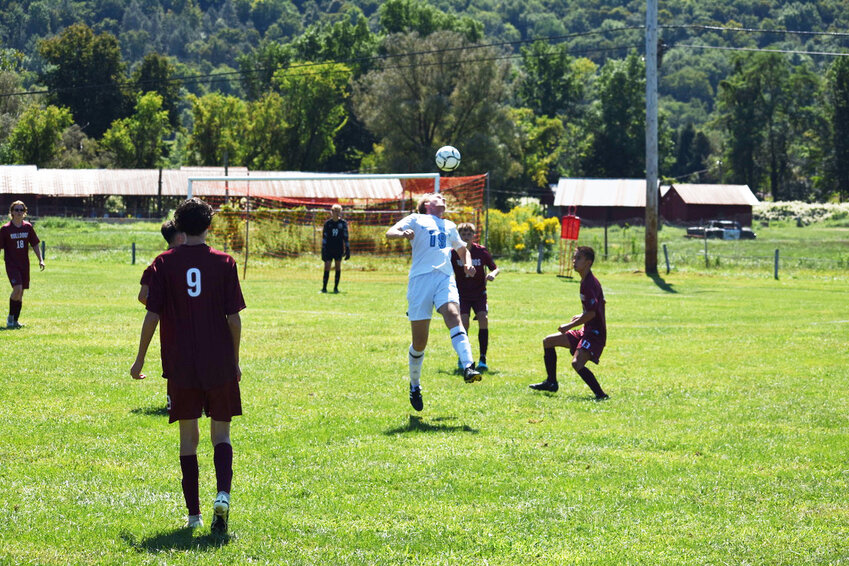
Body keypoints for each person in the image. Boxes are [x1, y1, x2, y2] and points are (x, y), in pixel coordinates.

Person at [130, 197, 246, 534]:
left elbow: (151, 314)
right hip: (219, 361)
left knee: (187, 438)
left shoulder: (164, 263)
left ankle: (194, 515)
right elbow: (234, 320)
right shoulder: (225, 262)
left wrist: (139, 360)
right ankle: (222, 495)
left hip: (181, 363)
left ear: (179, 226)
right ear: (209, 226)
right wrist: (234, 361)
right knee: (221, 434)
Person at [386, 193, 482, 412]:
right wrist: (402, 233)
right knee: (419, 343)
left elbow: (462, 249)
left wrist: (466, 264)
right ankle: (414, 385)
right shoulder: (416, 219)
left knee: (453, 314)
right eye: (436, 197)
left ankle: (468, 366)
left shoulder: (449, 225)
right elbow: (389, 232)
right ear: (427, 204)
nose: (442, 199)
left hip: (444, 278)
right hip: (420, 282)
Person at [530, 245, 608, 399]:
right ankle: (551, 382)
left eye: (578, 258)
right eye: (574, 257)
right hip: (586, 330)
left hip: (594, 334)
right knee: (548, 341)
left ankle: (601, 395)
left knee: (577, 364)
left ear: (588, 262)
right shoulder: (585, 280)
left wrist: (569, 326)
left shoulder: (589, 283)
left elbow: (592, 313)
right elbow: (600, 304)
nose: (574, 261)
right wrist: (581, 314)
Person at [451, 222, 499, 372]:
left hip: (479, 294)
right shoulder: (454, 252)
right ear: (459, 236)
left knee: (483, 319)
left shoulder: (481, 252)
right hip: (462, 295)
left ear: (473, 236)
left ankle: (483, 358)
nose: (466, 237)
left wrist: (492, 274)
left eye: (468, 234)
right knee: (464, 323)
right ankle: (463, 357)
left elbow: (495, 268)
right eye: (463, 234)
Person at [1, 201, 45, 329]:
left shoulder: (28, 227)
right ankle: (10, 318)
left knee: (21, 293)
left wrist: (40, 259)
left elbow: (35, 244)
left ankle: (15, 321)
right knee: (17, 289)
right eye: (16, 210)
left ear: (24, 212)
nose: (19, 212)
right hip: (12, 264)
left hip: (24, 264)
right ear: (12, 212)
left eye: (21, 210)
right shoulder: (5, 229)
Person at [138, 220, 186, 305]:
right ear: (180, 238)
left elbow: (142, 297)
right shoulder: (187, 260)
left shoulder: (158, 262)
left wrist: (162, 309)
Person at [321, 204, 350, 293]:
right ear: (331, 212)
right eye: (334, 211)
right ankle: (324, 288)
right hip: (329, 248)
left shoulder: (343, 223)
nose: (336, 213)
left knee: (338, 267)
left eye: (338, 212)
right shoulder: (328, 223)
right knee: (327, 266)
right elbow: (324, 237)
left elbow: (346, 237)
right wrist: (323, 249)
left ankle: (335, 288)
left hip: (338, 249)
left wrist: (347, 249)